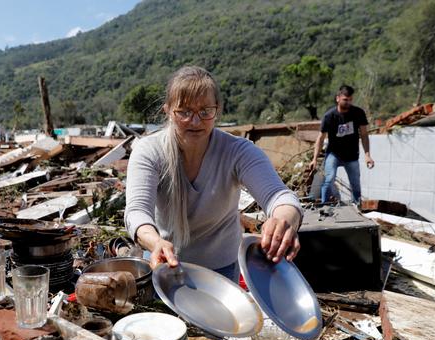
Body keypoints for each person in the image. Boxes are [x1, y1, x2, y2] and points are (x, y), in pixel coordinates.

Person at [124, 66, 303, 282]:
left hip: (222, 270)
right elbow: (137, 211)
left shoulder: (237, 151)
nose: (196, 121)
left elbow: (279, 196)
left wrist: (284, 219)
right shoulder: (149, 150)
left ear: (217, 110)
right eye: (184, 112)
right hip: (165, 264)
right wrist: (155, 242)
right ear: (168, 111)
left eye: (205, 111)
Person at [309, 85, 374, 204]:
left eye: (350, 100)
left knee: (355, 184)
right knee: (329, 178)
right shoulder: (329, 116)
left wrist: (367, 155)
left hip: (351, 155)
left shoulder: (358, 113)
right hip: (334, 153)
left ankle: (356, 206)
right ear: (337, 98)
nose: (348, 102)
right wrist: (314, 159)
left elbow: (364, 135)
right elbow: (320, 138)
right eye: (345, 99)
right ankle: (325, 205)